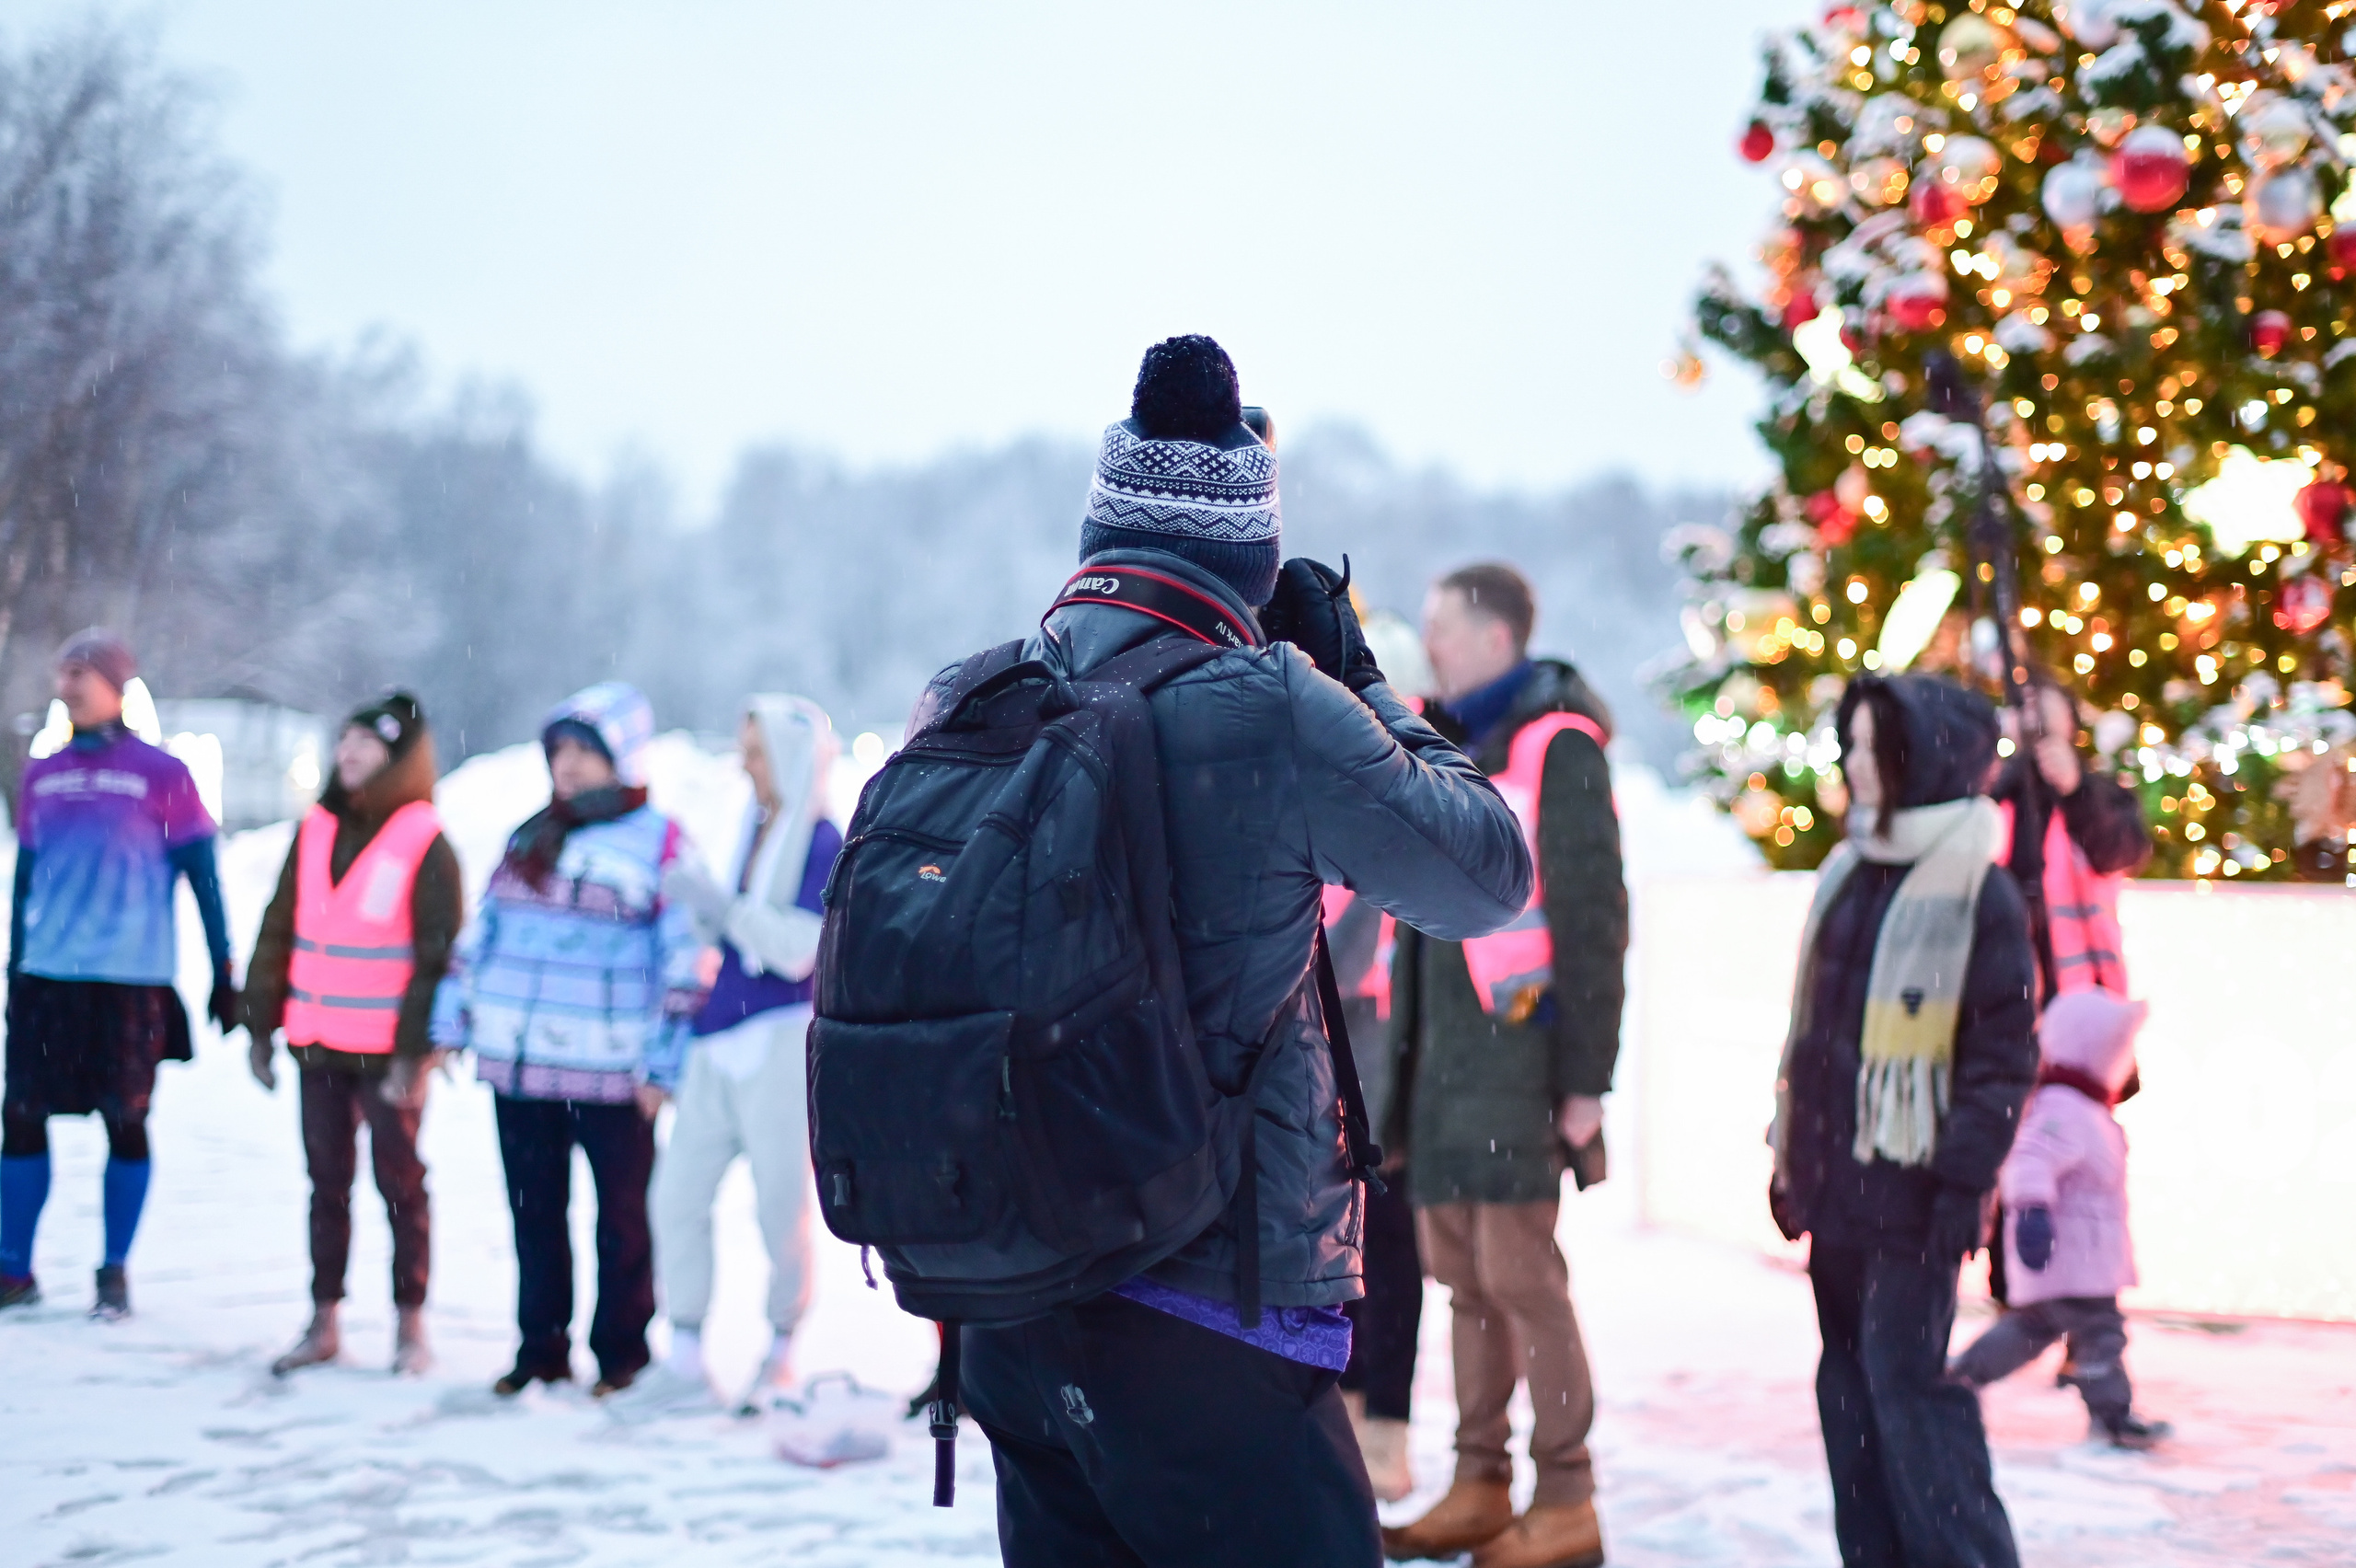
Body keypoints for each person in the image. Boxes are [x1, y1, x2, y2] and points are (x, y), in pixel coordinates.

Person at [939, 336, 1530, 1567]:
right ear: (1252, 554)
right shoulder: (1267, 702)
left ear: (1103, 535)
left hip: (1014, 1310)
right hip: (1208, 1312)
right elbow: (1487, 875)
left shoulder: (985, 690)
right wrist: (1357, 678)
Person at [1380, 563, 1624, 1568]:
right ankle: (1480, 1482)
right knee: (1465, 1284)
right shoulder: (1448, 742)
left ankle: (1565, 1497)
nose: (1429, 645)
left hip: (1515, 1068)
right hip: (1442, 1067)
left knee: (1524, 1282)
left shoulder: (1555, 744)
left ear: (1493, 636)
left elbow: (1594, 918)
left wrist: (1583, 1080)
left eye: (1441, 627)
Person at [1768, 674, 2038, 1568]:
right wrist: (1790, 1155)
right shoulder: (1851, 870)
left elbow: (1999, 1059)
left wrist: (1964, 1180)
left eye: (1871, 745)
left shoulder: (1978, 893)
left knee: (1908, 1390)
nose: (1853, 762)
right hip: (1837, 1185)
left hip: (1915, 1194)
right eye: (1850, 742)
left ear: (1922, 759)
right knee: (1845, 1390)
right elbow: (1812, 1031)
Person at [431, 682, 701, 1398]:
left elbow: (686, 960)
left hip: (614, 1074)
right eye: (561, 751)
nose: (569, 766)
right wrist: (450, 1018)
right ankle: (540, 1350)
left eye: (586, 751)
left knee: (622, 1222)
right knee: (534, 1217)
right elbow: (480, 936)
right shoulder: (528, 834)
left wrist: (664, 1065)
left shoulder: (663, 840)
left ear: (623, 757)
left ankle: (622, 1356)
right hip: (521, 1068)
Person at [611, 696, 841, 1421]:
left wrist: (725, 908)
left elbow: (798, 947)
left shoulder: (823, 839)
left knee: (781, 1203)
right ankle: (683, 1352)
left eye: (756, 749)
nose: (744, 764)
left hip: (779, 1035)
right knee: (675, 1195)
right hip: (720, 1034)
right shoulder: (752, 828)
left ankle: (779, 1350)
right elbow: (748, 933)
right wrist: (712, 908)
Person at [2, 630, 236, 1319]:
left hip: (130, 978)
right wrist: (17, 960)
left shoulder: (163, 773)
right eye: (63, 670)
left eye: (83, 672)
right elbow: (26, 879)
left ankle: (114, 1271)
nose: (68, 683)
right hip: (49, 975)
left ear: (116, 684)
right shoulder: (43, 772)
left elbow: (205, 877)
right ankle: (13, 1269)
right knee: (20, 1118)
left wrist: (224, 968)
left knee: (124, 1120)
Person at [241, 693, 462, 1377]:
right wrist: (260, 1023)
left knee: (401, 1184)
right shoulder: (315, 830)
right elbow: (280, 925)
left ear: (397, 759)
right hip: (317, 1042)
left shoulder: (426, 840)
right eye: (345, 741)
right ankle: (324, 1317)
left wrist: (415, 1052)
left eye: (366, 743)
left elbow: (438, 956)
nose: (350, 753)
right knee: (325, 1182)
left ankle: (410, 1323)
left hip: (386, 1056)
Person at [1949, 987, 2170, 1450]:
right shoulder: (2064, 1110)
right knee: (2100, 1336)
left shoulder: (2080, 1108)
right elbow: (2028, 1159)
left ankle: (1960, 1380)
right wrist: (2031, 1212)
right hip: (2071, 1258)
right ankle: (2113, 1417)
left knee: (2031, 1329)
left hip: (2075, 1257)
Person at [1327, 884, 1418, 1504]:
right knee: (1348, 1260)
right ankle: (1351, 1420)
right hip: (1335, 1093)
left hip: (1387, 1093)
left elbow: (1338, 969)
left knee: (1386, 1263)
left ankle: (1386, 1431)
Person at [1989, 679, 2150, 999]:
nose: (2035, 710)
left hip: (2081, 990)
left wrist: (2077, 792)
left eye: (2046, 702)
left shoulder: (2102, 796)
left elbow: (2122, 852)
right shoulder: (1996, 795)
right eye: (2027, 703)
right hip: (2005, 984)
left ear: (2071, 722)